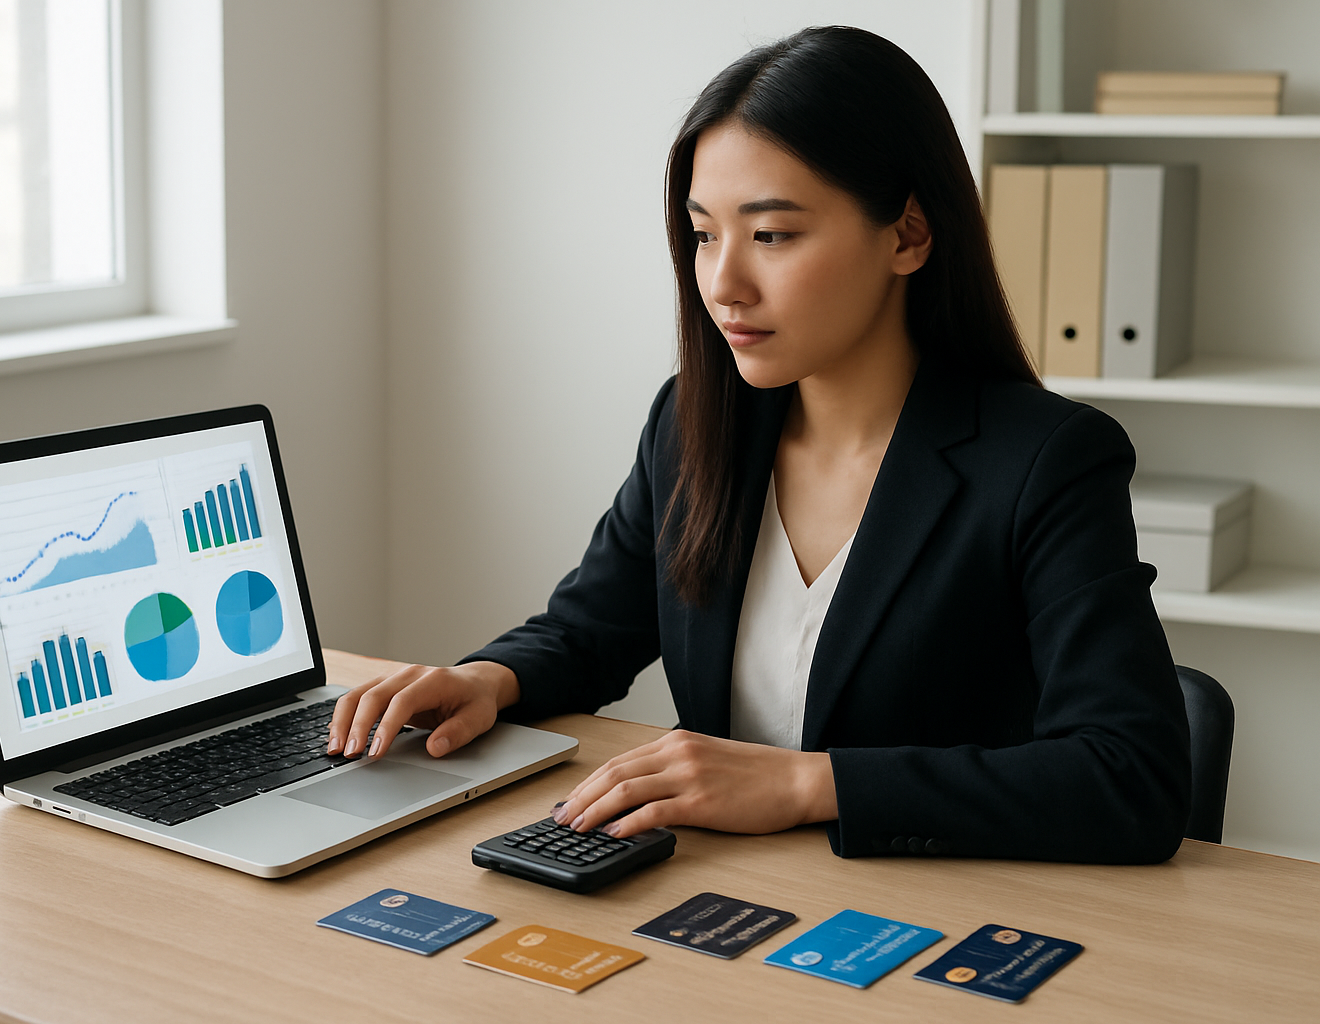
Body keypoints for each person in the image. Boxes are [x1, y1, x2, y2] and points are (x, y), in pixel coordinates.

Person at [327, 26, 1191, 863]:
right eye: (705, 234)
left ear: (909, 234)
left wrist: (810, 786)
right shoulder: (692, 425)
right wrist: (489, 680)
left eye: (772, 234)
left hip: (930, 929)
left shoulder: (1047, 462)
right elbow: (589, 631)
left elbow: (1131, 776)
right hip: (721, 903)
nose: (723, 284)